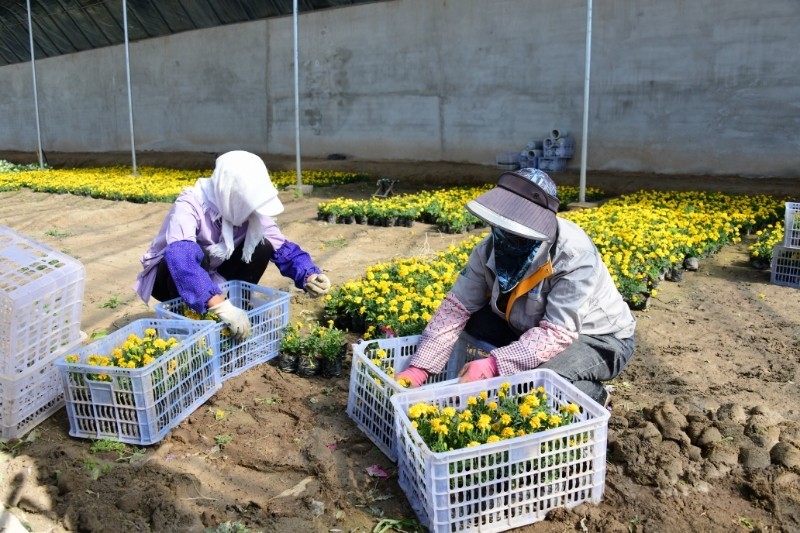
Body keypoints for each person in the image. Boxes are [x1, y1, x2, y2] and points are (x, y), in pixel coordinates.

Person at [396, 168, 635, 406]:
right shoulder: (489, 248)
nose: (508, 237)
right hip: (529, 326)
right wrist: (419, 369)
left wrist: (494, 365)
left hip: (597, 338)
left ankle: (594, 395)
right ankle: (520, 362)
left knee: (544, 382)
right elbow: (457, 307)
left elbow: (558, 332)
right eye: (504, 228)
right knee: (469, 322)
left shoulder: (574, 256)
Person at [134, 150, 331, 339]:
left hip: (212, 273)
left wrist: (309, 274)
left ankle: (237, 311)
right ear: (231, 195)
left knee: (262, 246)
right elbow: (181, 260)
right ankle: (190, 318)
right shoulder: (190, 205)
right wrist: (220, 306)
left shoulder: (248, 212)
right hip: (169, 278)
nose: (252, 210)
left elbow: (282, 247)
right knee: (194, 253)